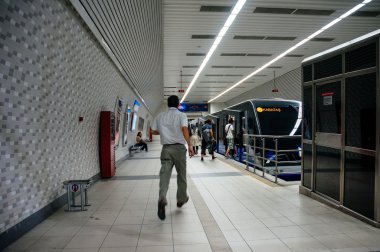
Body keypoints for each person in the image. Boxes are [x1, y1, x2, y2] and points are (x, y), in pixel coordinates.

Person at [152, 95, 195, 220]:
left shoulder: (160, 116)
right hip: (179, 149)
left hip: (166, 149)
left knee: (164, 175)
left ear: (167, 104)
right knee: (181, 175)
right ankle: (181, 199)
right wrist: (190, 145)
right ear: (178, 105)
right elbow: (184, 129)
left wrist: (165, 131)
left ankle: (162, 197)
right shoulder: (181, 115)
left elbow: (153, 131)